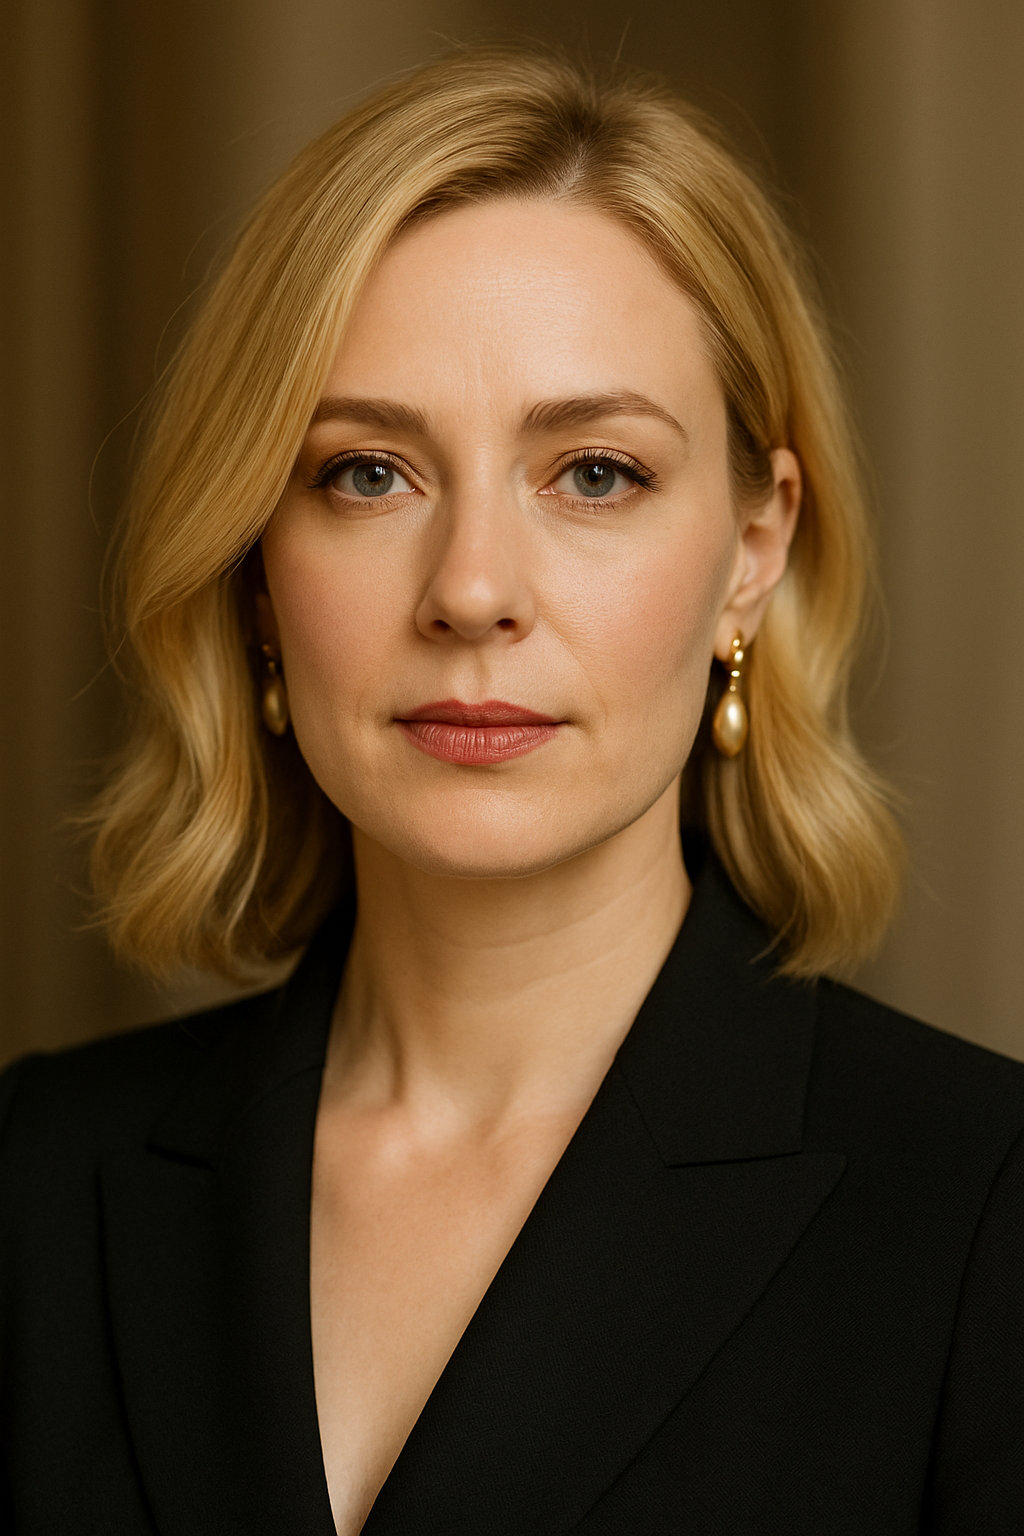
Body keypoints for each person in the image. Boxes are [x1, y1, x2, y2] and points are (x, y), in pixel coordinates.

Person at [1, 47, 1021, 1536]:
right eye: (366, 474)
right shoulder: (35, 1182)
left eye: (595, 472)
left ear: (754, 547)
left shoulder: (987, 1208)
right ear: (256, 571)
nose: (473, 591)